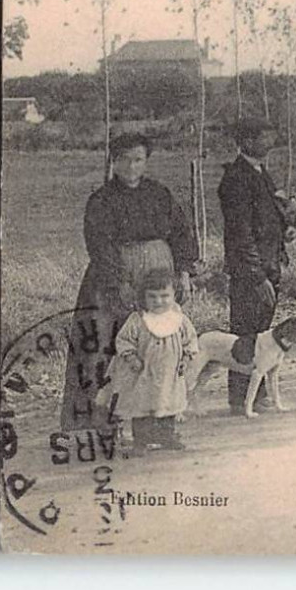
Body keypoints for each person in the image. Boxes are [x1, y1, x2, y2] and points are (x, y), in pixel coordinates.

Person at [61, 132, 198, 432]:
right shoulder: (101, 200)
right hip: (115, 275)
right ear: (113, 161)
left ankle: (155, 416)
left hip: (159, 275)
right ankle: (96, 419)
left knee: (157, 344)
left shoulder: (160, 194)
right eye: (124, 160)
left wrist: (184, 272)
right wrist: (117, 282)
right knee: (106, 341)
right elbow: (99, 244)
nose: (131, 166)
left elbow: (181, 233)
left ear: (146, 161)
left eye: (138, 159)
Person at [217, 120, 287, 413]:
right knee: (245, 334)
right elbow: (241, 234)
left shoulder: (260, 172)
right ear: (245, 141)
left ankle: (255, 397)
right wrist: (258, 276)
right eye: (263, 137)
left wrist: (284, 234)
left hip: (268, 264)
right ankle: (239, 400)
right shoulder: (236, 178)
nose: (270, 142)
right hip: (251, 271)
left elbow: (267, 217)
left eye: (270, 136)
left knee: (261, 334)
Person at [99, 268, 199, 454]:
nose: (158, 301)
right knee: (142, 406)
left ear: (173, 295)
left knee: (168, 403)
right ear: (143, 298)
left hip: (170, 373)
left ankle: (166, 436)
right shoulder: (138, 320)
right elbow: (123, 340)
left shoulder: (179, 319)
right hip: (144, 373)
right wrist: (131, 356)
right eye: (152, 297)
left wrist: (186, 357)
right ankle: (141, 441)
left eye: (164, 296)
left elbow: (190, 339)